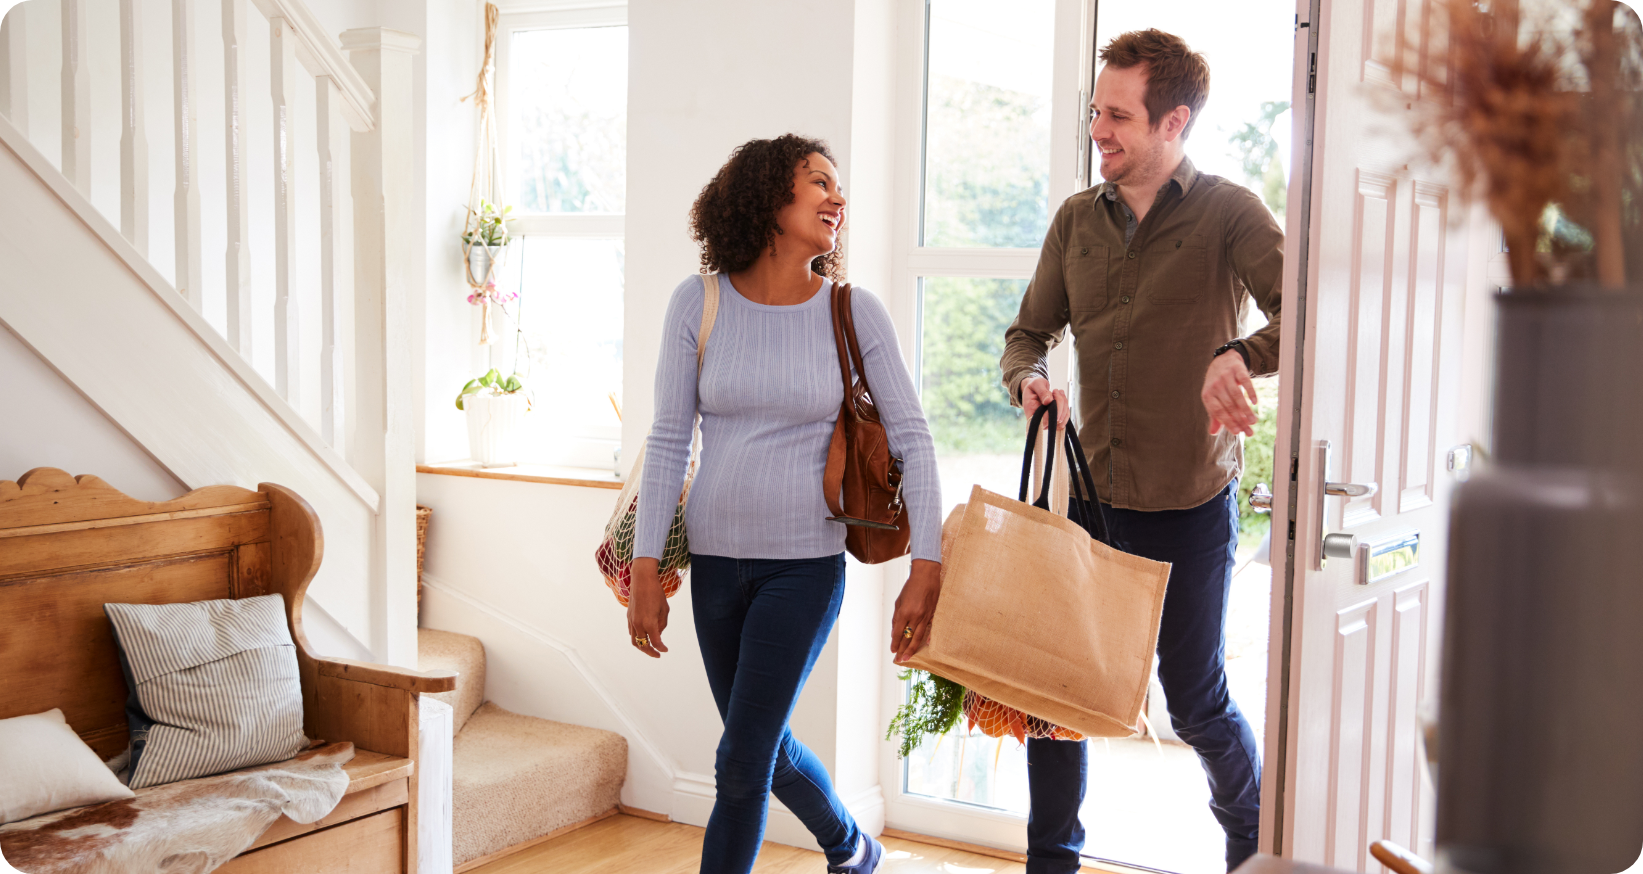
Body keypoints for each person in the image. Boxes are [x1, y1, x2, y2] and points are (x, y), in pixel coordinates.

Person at [999, 29, 1284, 874]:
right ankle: (1052, 860)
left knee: (1195, 702)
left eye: (1117, 116)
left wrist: (1239, 356)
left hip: (1190, 507)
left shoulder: (1229, 212)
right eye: (1096, 112)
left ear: (1174, 121)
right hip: (1089, 505)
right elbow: (1026, 334)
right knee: (1058, 697)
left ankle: (1251, 844)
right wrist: (1027, 381)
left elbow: (1302, 311)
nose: (1099, 131)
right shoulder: (1075, 221)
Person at [628, 134, 944, 874]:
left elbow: (915, 441)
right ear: (769, 195)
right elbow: (670, 437)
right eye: (818, 184)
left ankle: (842, 848)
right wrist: (645, 569)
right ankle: (850, 847)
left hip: (802, 568)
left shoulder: (850, 310)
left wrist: (925, 565)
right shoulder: (697, 301)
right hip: (713, 564)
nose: (837, 199)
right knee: (759, 744)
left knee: (738, 762)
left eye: (838, 188)